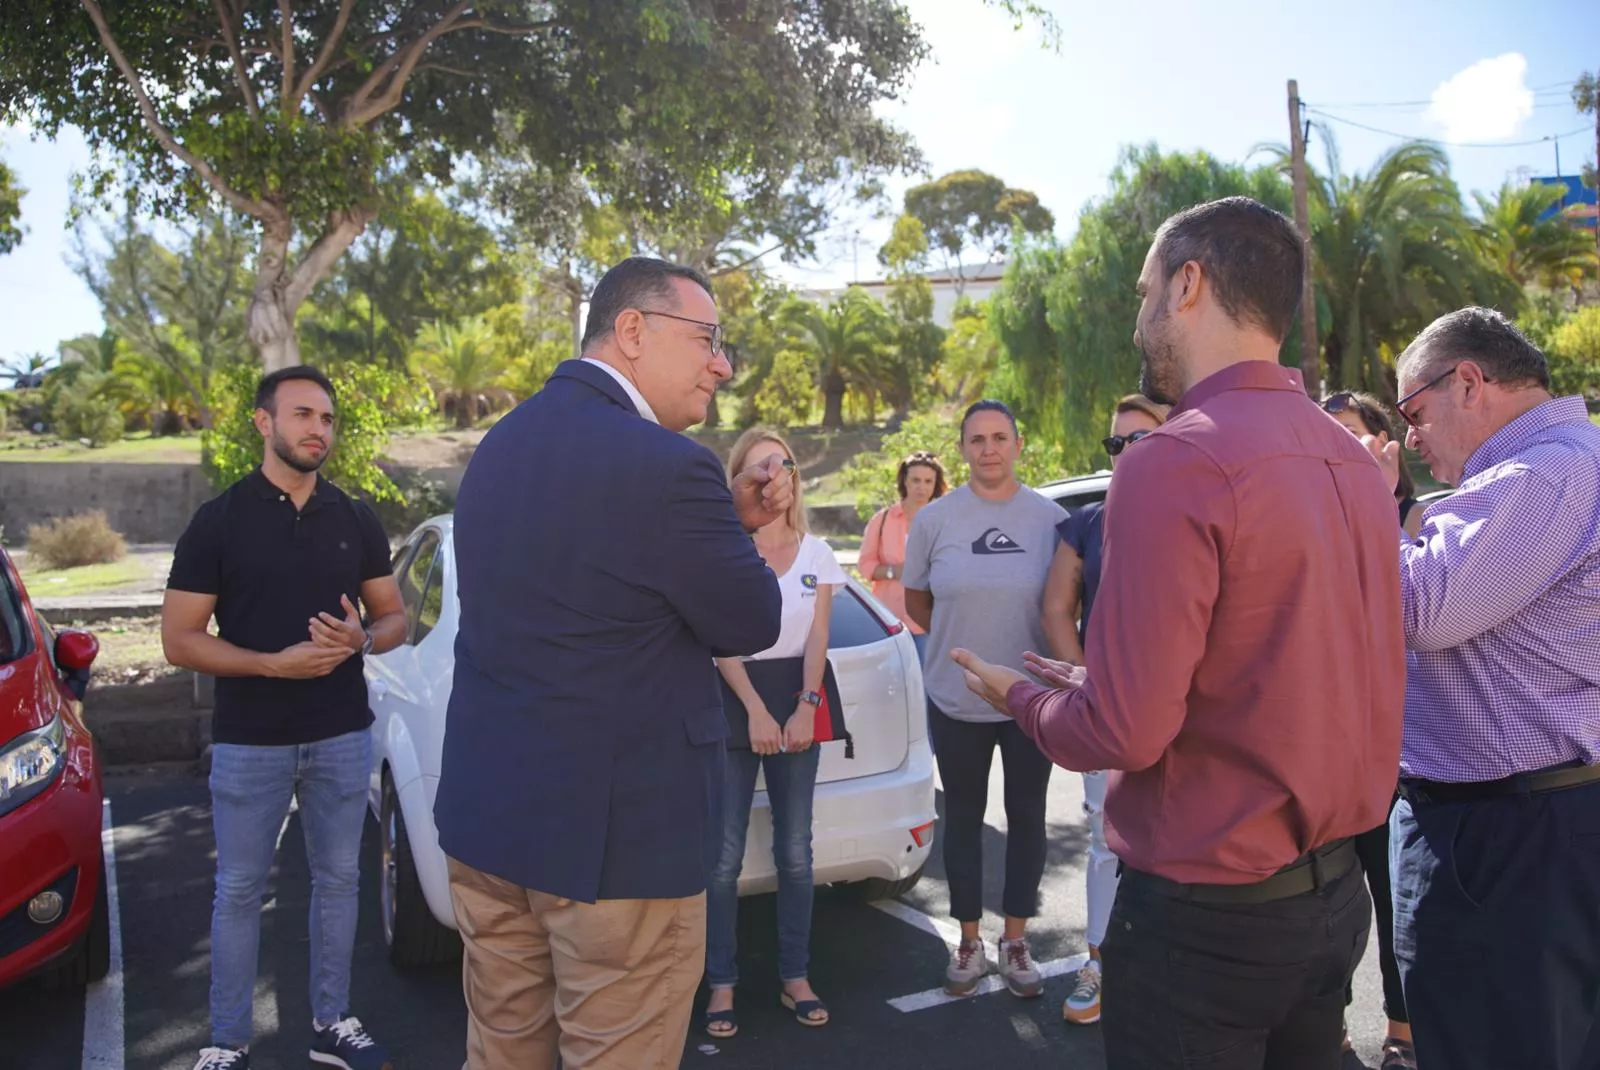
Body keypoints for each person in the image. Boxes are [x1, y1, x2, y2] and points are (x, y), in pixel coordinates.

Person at [952, 197, 1405, 1070]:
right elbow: (1275, 673)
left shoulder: (1174, 458)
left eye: (1144, 289)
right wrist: (1096, 683)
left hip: (1209, 925)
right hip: (1334, 899)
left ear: (1188, 283)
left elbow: (1125, 734)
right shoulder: (1353, 458)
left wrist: (1025, 698)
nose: (1137, 316)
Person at [432, 258, 792, 1070]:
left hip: (489, 827)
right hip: (616, 854)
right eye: (707, 339)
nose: (722, 364)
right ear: (632, 331)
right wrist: (737, 531)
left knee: (500, 1055)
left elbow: (587, 585)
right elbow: (750, 617)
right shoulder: (671, 467)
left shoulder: (498, 447)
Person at [1362, 307, 1600, 1070]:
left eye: (1412, 412)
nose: (1409, 438)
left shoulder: (1539, 473)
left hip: (1508, 840)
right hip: (1536, 825)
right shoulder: (1567, 461)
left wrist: (1364, 502)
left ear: (1469, 381)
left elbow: (1420, 608)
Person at [163, 366, 409, 1070]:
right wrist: (271, 664)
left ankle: (332, 1023)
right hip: (250, 741)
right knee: (239, 890)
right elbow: (179, 640)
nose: (319, 430)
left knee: (338, 881)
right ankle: (226, 1040)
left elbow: (391, 617)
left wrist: (363, 639)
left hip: (341, 732)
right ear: (263, 424)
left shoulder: (354, 516)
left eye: (328, 419)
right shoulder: (219, 520)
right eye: (304, 415)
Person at [901, 399, 1064, 1000]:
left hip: (1029, 703)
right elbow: (918, 603)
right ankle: (968, 940)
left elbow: (1063, 605)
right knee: (963, 823)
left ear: (1019, 445)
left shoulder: (1049, 519)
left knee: (1027, 820)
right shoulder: (935, 520)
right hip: (956, 698)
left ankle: (1016, 940)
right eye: (977, 439)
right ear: (963, 448)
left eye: (1000, 437)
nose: (989, 449)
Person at [704, 430, 850, 1038]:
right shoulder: (724, 551)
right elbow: (717, 637)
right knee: (722, 858)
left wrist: (802, 706)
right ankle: (721, 983)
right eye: (758, 465)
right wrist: (756, 711)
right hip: (735, 695)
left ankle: (795, 977)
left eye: (782, 462)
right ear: (740, 478)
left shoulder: (817, 555)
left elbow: (817, 638)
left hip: (799, 700)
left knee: (796, 852)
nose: (773, 474)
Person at [1040, 392, 1167, 1028]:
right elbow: (1057, 608)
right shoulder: (1088, 520)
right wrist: (1088, 682)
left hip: (1183, 713)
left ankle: (1170, 969)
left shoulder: (1199, 508)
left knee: (1180, 835)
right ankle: (1098, 961)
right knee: (1105, 837)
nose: (1124, 452)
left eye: (1139, 438)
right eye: (1116, 443)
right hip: (1109, 709)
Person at [1319, 389, 1416, 1068]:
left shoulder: (1422, 524)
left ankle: (1403, 1033)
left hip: (1397, 756)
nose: (1340, 447)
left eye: (1354, 434)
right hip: (1323, 751)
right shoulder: (1305, 524)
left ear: (1387, 444)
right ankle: (1325, 1025)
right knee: (1326, 907)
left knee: (1393, 902)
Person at [858, 450, 948, 657]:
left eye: (928, 481)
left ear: (936, 484)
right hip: (889, 623)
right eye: (916, 480)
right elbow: (864, 565)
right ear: (904, 481)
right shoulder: (882, 520)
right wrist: (893, 572)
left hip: (928, 622)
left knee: (928, 687)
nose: (921, 487)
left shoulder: (943, 522)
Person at [1323, 390, 1423, 537]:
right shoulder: (1325, 519)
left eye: (1349, 432)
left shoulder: (1420, 518)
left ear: (1382, 441)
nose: (1335, 445)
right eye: (1325, 437)